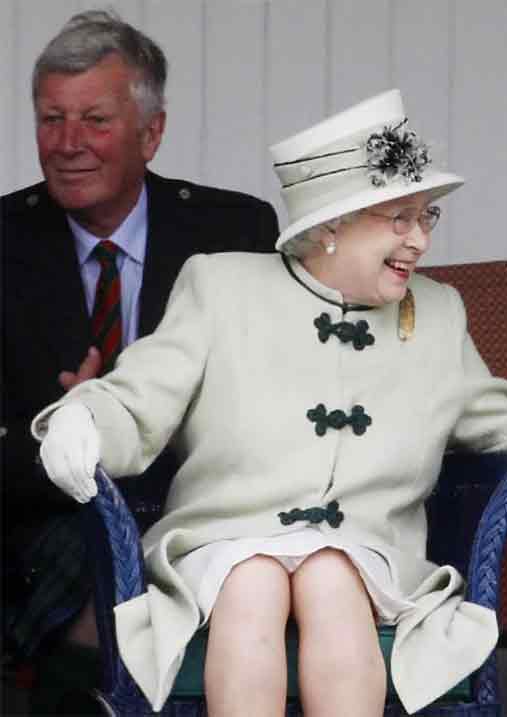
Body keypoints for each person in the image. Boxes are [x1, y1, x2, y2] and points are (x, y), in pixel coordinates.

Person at [31, 88, 507, 716]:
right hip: (222, 546)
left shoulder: (436, 311)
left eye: (426, 215)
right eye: (400, 219)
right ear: (332, 226)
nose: (421, 240)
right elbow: (138, 394)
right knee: (252, 579)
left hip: (369, 555)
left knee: (331, 574)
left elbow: (503, 426)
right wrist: (83, 418)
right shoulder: (221, 287)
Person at [1, 8, 278, 704]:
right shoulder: (5, 240)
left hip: (200, 509)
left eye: (94, 120)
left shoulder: (233, 229)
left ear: (151, 133)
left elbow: (268, 407)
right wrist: (67, 431)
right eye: (50, 119)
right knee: (97, 563)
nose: (67, 143)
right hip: (43, 518)